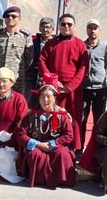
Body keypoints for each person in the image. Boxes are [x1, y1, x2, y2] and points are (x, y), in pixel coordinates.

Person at [38, 13, 89, 151]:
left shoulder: (80, 44)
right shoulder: (51, 43)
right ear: (59, 26)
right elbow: (42, 61)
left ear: (74, 26)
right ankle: (53, 144)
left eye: (69, 24)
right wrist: (52, 81)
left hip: (72, 91)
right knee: (54, 116)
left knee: (74, 119)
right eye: (63, 24)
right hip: (54, 90)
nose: (66, 26)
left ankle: (74, 148)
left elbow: (83, 68)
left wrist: (69, 87)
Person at [14, 73, 76, 188]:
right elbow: (21, 134)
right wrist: (37, 144)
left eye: (49, 96)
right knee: (34, 154)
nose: (45, 100)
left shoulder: (61, 115)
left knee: (62, 154)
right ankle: (39, 180)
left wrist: (52, 144)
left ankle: (61, 179)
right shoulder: (31, 115)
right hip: (37, 144)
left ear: (55, 98)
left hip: (56, 145)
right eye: (42, 96)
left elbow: (68, 135)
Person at [0, 6, 33, 93]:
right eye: (7, 16)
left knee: (15, 103)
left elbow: (29, 58)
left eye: (14, 16)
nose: (10, 18)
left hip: (16, 79)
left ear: (19, 19)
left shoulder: (25, 36)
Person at [81, 19, 107, 147]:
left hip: (100, 89)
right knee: (82, 119)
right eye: (90, 28)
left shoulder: (105, 47)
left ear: (99, 30)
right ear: (87, 30)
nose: (93, 30)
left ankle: (96, 148)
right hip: (84, 88)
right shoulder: (80, 46)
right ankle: (79, 148)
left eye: (95, 28)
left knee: (99, 121)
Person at [24, 17, 55, 107]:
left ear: (52, 29)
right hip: (32, 79)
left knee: (46, 105)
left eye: (48, 27)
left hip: (49, 79)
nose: (45, 30)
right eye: (42, 27)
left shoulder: (56, 44)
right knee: (29, 105)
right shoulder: (32, 43)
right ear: (39, 28)